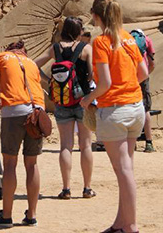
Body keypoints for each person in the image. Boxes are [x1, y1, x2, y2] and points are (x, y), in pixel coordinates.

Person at [80, 0, 149, 233]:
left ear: (96, 16)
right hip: (135, 107)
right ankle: (121, 223)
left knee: (124, 171)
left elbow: (105, 82)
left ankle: (130, 226)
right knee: (126, 168)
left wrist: (88, 98)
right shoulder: (129, 38)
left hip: (114, 110)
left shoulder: (101, 41)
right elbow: (143, 73)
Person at [0, 40, 43, 228]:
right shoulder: (32, 63)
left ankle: (7, 215)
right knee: (32, 164)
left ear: (9, 50)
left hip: (14, 114)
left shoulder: (1, 58)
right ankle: (32, 215)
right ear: (23, 51)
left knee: (10, 163)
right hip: (38, 114)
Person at [34, 16, 96, 200]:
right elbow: (92, 75)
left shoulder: (55, 48)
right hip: (83, 101)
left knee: (65, 146)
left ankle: (66, 189)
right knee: (85, 145)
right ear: (77, 32)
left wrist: (48, 81)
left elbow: (34, 64)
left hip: (61, 101)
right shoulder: (86, 49)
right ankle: (87, 188)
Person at [131, 29, 156, 153]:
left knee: (131, 107)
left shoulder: (127, 40)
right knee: (145, 109)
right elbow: (152, 64)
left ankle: (132, 142)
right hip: (143, 76)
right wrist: (146, 75)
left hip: (130, 76)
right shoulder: (147, 40)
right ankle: (149, 142)